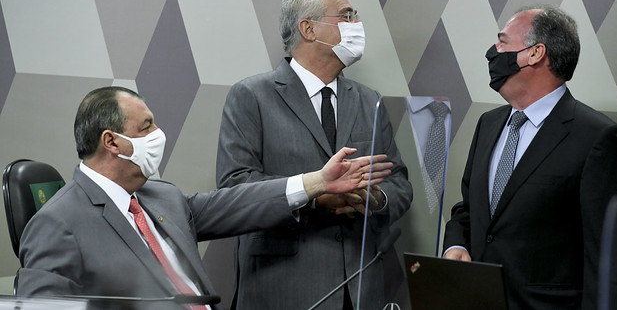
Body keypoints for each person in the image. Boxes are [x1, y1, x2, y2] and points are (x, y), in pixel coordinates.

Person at [17, 86, 393, 310]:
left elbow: (237, 204)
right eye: (146, 127)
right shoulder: (57, 224)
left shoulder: (161, 197)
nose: (158, 133)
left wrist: (317, 182)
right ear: (112, 142)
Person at [216, 0, 413, 310]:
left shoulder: (369, 101)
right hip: (283, 289)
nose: (356, 24)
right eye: (346, 16)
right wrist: (317, 195)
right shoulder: (252, 96)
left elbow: (399, 184)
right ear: (308, 29)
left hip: (359, 287)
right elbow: (236, 187)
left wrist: (375, 197)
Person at [443, 6, 617, 309]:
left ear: (535, 53)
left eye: (503, 42)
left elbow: (608, 255)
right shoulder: (488, 124)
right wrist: (455, 244)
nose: (493, 51)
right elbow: (469, 209)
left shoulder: (597, 138)